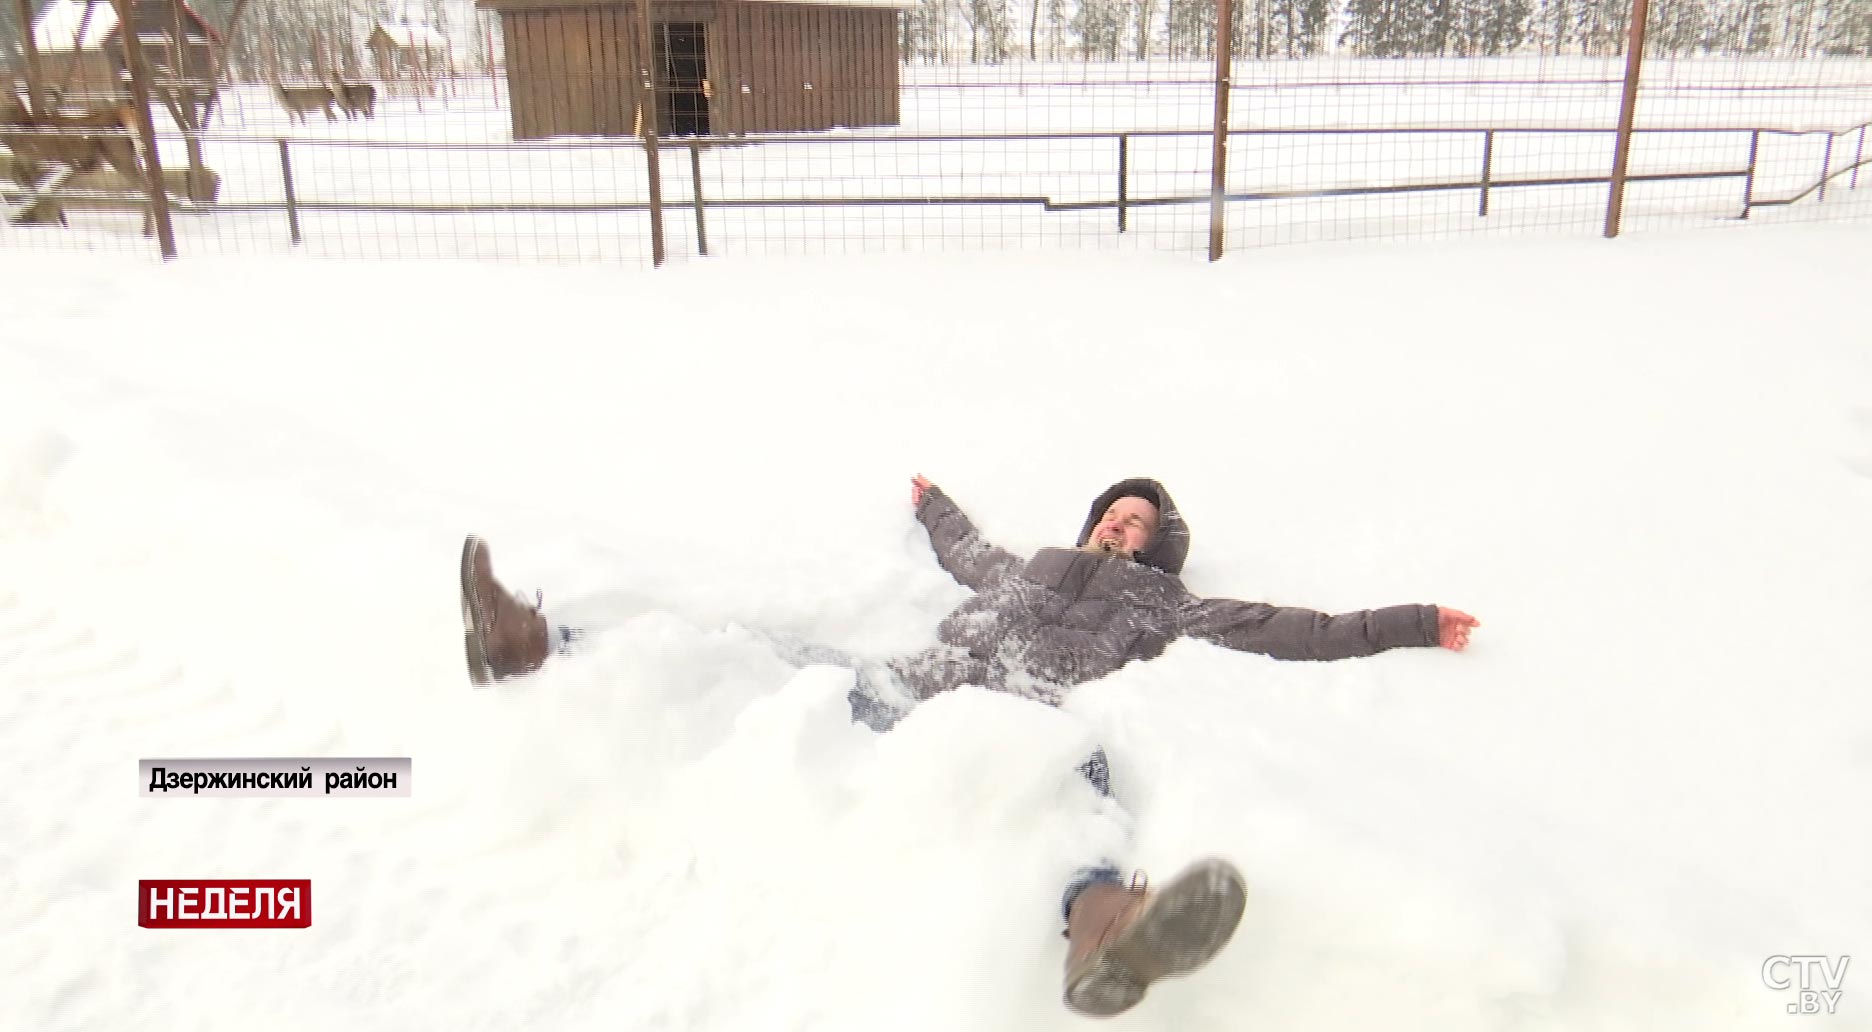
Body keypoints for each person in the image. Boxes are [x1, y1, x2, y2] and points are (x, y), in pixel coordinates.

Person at [458, 476, 1479, 1017]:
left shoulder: (1174, 605)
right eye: (1114, 515)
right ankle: (534, 643)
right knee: (741, 649)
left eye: (1140, 524)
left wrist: (1412, 618)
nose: (1122, 527)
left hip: (1019, 720)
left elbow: (1298, 630)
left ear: (1158, 548)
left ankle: (1103, 926)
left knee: (1087, 785)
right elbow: (963, 549)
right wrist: (931, 502)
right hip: (908, 685)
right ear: (1088, 524)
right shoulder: (1024, 566)